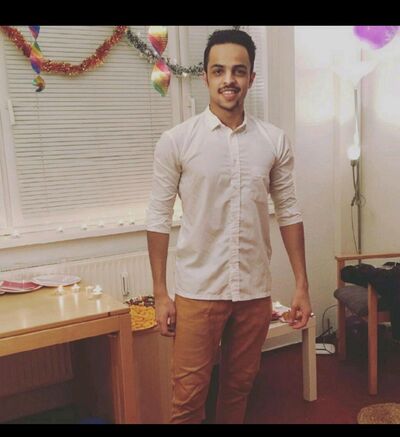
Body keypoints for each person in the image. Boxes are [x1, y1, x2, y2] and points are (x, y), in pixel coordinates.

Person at [146, 29, 312, 424]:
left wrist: (302, 285)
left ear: (251, 77)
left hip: (254, 290)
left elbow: (288, 211)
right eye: (219, 70)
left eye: (238, 70)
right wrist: (160, 293)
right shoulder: (177, 141)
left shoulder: (273, 141)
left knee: (239, 389)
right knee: (188, 399)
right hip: (198, 290)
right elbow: (158, 216)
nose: (229, 80)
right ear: (205, 76)